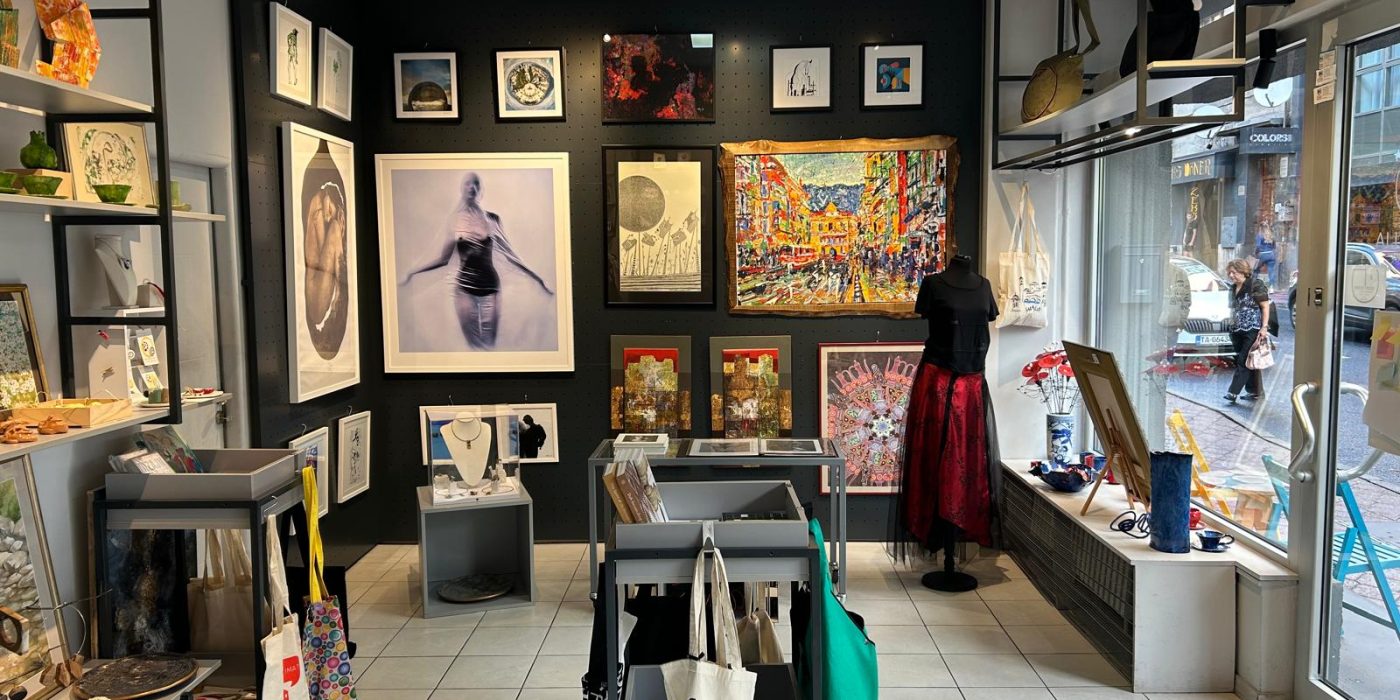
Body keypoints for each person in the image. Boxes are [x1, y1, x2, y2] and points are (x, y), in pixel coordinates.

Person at [400, 173, 554, 350]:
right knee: (473, 344)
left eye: (476, 184)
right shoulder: (455, 221)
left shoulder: (492, 220)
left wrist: (538, 278)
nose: (472, 187)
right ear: (462, 189)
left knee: (489, 345)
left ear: (480, 190)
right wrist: (413, 272)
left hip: (490, 288)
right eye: (468, 183)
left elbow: (510, 255)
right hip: (464, 290)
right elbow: (443, 260)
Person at [1224, 258, 1271, 404]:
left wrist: (1264, 327)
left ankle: (1233, 392)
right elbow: (1233, 309)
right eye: (1229, 273)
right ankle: (1256, 391)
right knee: (1250, 360)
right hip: (1236, 330)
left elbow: (1265, 306)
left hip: (1252, 329)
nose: (1231, 275)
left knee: (1243, 360)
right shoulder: (1232, 288)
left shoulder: (1255, 285)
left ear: (1243, 271)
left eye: (1234, 272)